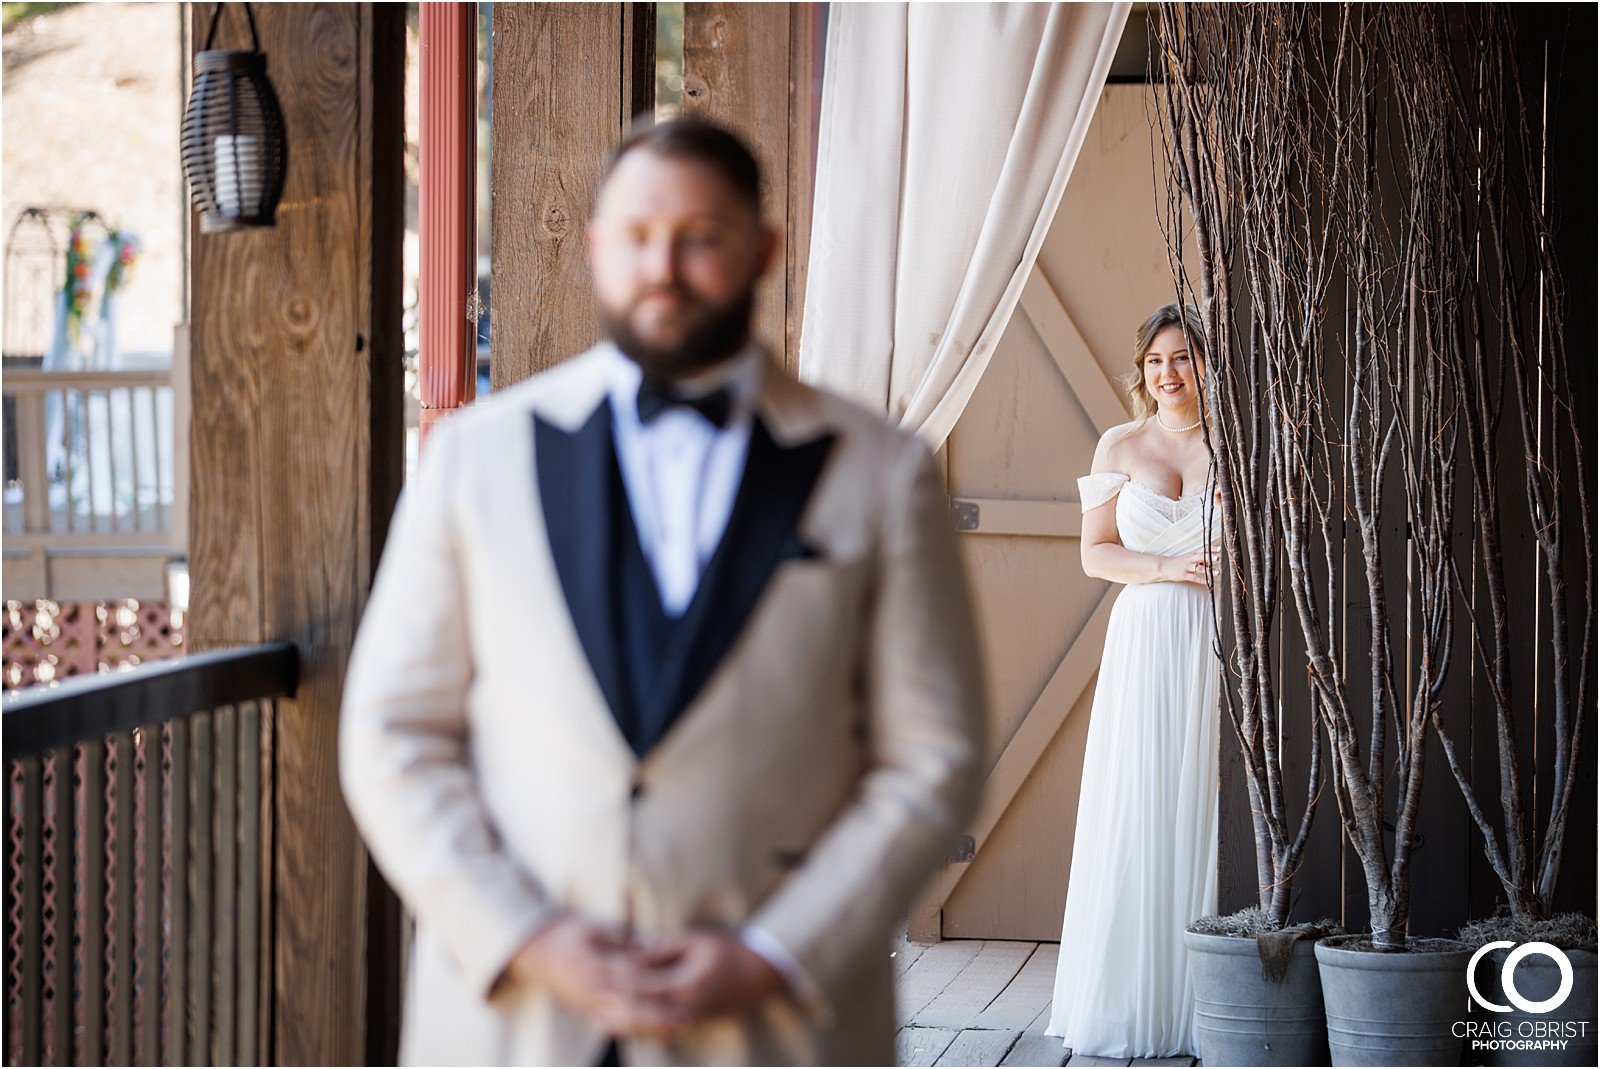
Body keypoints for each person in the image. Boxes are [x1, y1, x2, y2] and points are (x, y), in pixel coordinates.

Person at [339, 116, 986, 1066]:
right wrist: (524, 934)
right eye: (637, 237)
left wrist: (775, 951)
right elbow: (391, 730)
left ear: (763, 250)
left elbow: (935, 756)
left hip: (773, 1026)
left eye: (701, 238)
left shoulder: (882, 474)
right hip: (515, 1020)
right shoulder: (476, 458)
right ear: (597, 247)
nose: (664, 266)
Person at [1044, 304, 1221, 1058]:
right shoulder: (1119, 444)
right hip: (1146, 638)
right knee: (1140, 799)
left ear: (1205, 364)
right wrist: (1163, 568)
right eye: (1155, 361)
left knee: (1204, 802)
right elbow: (1095, 553)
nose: (1168, 374)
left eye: (1182, 358)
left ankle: (1205, 1003)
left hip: (1216, 639)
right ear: (1140, 368)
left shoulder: (1235, 447)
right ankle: (1129, 995)